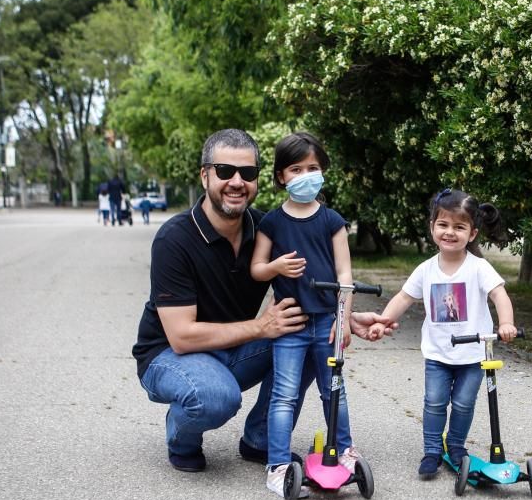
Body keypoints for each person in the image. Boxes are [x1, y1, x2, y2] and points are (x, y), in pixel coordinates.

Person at [132, 128, 393, 475]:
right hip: (170, 355)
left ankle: (259, 438)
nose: (237, 181)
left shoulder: (267, 228)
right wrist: (260, 327)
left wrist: (344, 318)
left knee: (312, 339)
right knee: (214, 397)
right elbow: (182, 336)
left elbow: (307, 291)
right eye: (225, 171)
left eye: (247, 173)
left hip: (235, 344)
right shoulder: (175, 239)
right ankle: (181, 436)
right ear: (205, 174)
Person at [366, 188, 516, 478]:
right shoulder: (425, 269)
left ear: (472, 234)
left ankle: (457, 447)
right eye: (443, 225)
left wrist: (506, 323)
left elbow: (500, 295)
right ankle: (432, 451)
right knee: (434, 403)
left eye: (459, 227)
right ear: (432, 227)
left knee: (463, 403)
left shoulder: (479, 268)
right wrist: (382, 321)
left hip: (473, 354)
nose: (450, 232)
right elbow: (403, 298)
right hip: (437, 354)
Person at [249, 131, 361, 497]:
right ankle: (277, 463)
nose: (305, 175)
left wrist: (344, 319)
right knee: (284, 396)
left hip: (327, 321)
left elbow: (345, 275)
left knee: (335, 391)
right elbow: (257, 269)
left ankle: (344, 451)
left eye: (313, 168)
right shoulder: (272, 222)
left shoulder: (331, 220)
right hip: (291, 324)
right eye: (296, 169)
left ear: (323, 173)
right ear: (282, 176)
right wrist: (276, 266)